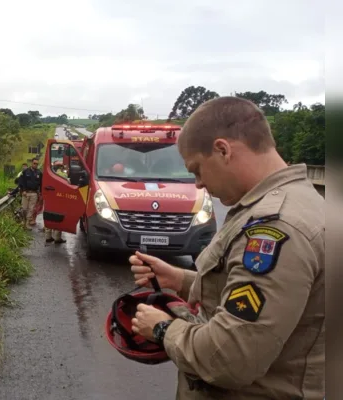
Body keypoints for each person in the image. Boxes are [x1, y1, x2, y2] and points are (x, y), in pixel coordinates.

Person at [128, 97, 324, 399]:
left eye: (197, 170)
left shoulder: (276, 228)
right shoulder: (296, 202)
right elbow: (257, 295)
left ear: (223, 150)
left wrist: (163, 329)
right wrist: (181, 280)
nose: (198, 184)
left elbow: (231, 357)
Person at [44, 162, 67, 243]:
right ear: (61, 167)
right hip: (60, 199)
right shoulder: (63, 175)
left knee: (49, 216)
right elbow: (68, 185)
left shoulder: (49, 175)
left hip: (50, 198)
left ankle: (48, 237)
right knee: (58, 218)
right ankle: (57, 238)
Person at [17, 158, 42, 229]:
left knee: (31, 209)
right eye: (34, 163)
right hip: (26, 193)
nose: (35, 165)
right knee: (24, 209)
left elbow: (41, 184)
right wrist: (23, 190)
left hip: (34, 193)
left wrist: (40, 193)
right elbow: (21, 182)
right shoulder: (25, 171)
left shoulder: (39, 173)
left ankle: (27, 224)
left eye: (37, 164)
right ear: (32, 163)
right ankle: (23, 222)